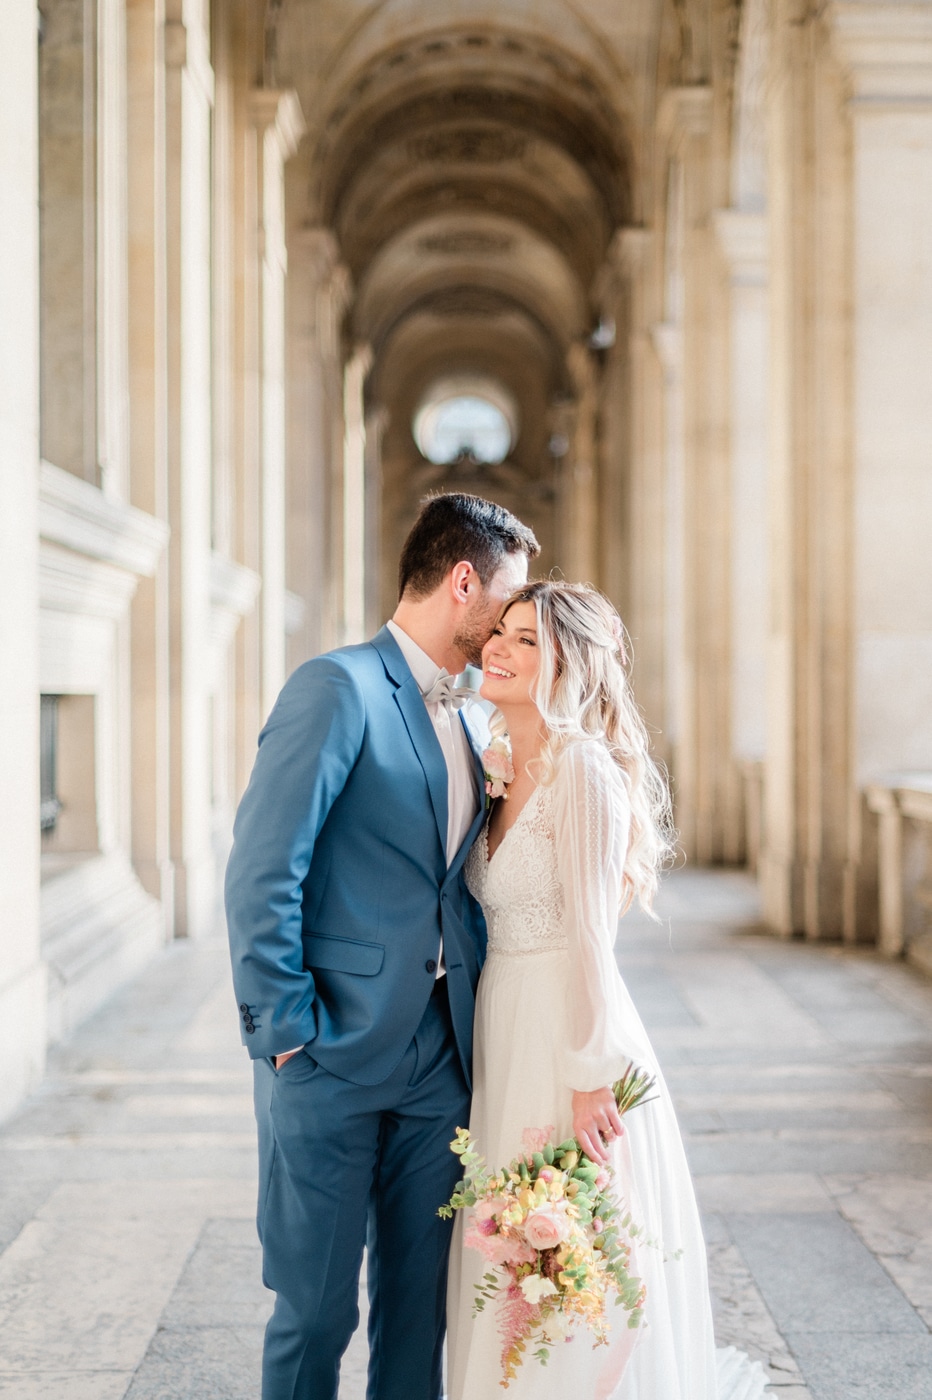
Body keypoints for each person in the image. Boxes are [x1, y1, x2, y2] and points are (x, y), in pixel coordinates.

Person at [225, 492, 540, 1400]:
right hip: (326, 1053)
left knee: (418, 1317)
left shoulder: (476, 718)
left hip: (440, 1061)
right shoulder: (336, 687)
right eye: (508, 600)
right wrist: (284, 1031)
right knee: (315, 1313)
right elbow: (261, 872)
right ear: (463, 579)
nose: (512, 625)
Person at [447, 580, 768, 1400]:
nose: (501, 649)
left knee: (571, 1252)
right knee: (512, 1248)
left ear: (567, 665)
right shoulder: (498, 764)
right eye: (503, 633)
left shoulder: (581, 770)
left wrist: (592, 1073)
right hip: (505, 1023)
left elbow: (592, 935)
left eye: (527, 641)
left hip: (569, 1030)